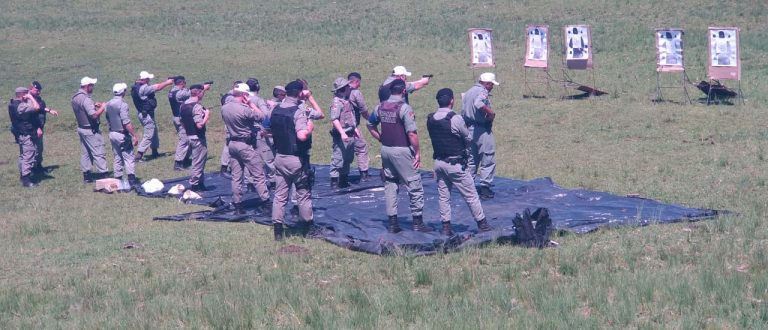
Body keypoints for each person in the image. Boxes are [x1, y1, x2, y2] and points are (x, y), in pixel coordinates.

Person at [427, 88, 493, 235]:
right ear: (451, 100)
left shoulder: (431, 118)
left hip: (438, 163)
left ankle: (446, 227)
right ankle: (482, 224)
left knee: (444, 196)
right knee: (471, 196)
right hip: (455, 164)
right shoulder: (455, 119)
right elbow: (468, 138)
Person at [367, 79, 429, 233]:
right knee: (414, 185)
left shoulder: (380, 107)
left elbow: (369, 124)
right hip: (402, 151)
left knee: (390, 185)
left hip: (386, 150)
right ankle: (417, 222)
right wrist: (417, 153)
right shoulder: (404, 108)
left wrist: (380, 137)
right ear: (403, 92)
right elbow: (412, 134)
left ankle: (393, 223)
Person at [270, 80, 320, 241]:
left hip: (279, 157)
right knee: (303, 194)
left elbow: (267, 130)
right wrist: (309, 128)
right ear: (299, 93)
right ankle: (308, 227)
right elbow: (301, 135)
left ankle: (278, 229)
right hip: (296, 159)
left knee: (280, 195)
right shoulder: (298, 111)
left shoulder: (276, 109)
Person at [221, 83, 271, 213]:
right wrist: (251, 104)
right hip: (245, 145)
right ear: (244, 95)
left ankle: (238, 203)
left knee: (236, 177)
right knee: (258, 174)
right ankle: (265, 201)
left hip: (232, 143)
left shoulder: (225, 108)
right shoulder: (244, 109)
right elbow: (262, 116)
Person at [461, 72, 499, 200]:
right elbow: (479, 103)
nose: (492, 87)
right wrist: (491, 113)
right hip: (481, 130)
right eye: (492, 84)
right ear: (487, 83)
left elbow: (463, 111)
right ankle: (485, 189)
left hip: (469, 129)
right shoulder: (482, 92)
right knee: (488, 157)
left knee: (471, 159)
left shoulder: (469, 91)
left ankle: (468, 188)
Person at [168, 76, 212, 170]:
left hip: (180, 117)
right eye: (184, 83)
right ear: (182, 83)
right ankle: (178, 163)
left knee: (187, 139)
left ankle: (185, 159)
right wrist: (203, 88)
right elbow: (193, 93)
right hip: (182, 119)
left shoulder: (172, 91)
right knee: (184, 140)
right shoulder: (179, 93)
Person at [71, 76, 108, 183]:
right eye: (92, 85)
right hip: (91, 130)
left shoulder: (75, 97)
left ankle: (86, 175)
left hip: (82, 128)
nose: (93, 87)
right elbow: (93, 115)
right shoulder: (86, 99)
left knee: (86, 153)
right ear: (87, 86)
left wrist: (93, 105)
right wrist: (103, 107)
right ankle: (104, 174)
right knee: (98, 152)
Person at [131, 71, 174, 162]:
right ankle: (139, 155)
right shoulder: (143, 88)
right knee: (149, 135)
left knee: (154, 133)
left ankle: (155, 152)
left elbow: (154, 86)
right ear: (146, 79)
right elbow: (157, 87)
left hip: (145, 113)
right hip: (146, 115)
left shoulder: (137, 86)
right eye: (149, 78)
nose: (150, 80)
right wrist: (168, 83)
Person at [105, 83, 140, 187]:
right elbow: (126, 123)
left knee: (117, 156)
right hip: (122, 134)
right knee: (129, 156)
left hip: (112, 133)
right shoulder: (122, 105)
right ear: (123, 92)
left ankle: (118, 179)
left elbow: (107, 118)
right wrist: (134, 135)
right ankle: (131, 180)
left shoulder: (108, 103)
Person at [245, 78, 276, 190]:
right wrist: (272, 107)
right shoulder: (258, 100)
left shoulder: (243, 98)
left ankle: (250, 182)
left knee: (249, 159)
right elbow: (266, 114)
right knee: (268, 157)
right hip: (259, 132)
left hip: (246, 132)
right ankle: (272, 181)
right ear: (257, 87)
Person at [179, 84, 211, 192]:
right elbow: (199, 125)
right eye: (202, 92)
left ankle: (200, 183)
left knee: (199, 161)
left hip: (189, 136)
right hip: (198, 138)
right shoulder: (196, 107)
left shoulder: (183, 105)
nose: (203, 94)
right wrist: (206, 115)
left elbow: (181, 121)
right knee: (198, 162)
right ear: (198, 93)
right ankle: (195, 185)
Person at [328, 77, 357, 188]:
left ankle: (344, 179)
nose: (350, 88)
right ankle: (334, 181)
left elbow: (350, 116)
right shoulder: (337, 102)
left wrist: (355, 129)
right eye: (347, 87)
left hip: (350, 133)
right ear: (343, 89)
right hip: (342, 135)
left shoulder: (346, 100)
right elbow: (334, 119)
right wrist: (342, 133)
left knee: (347, 158)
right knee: (338, 158)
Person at [9, 87, 41, 187]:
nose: (29, 94)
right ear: (23, 95)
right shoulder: (21, 106)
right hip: (26, 134)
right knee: (28, 155)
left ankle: (23, 176)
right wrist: (31, 97)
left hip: (21, 133)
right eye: (27, 93)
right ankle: (26, 180)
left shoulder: (13, 104)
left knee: (23, 156)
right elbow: (36, 107)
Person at [29, 81, 58, 174]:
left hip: (40, 127)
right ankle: (33, 168)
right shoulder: (29, 100)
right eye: (36, 90)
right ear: (30, 89)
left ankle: (38, 165)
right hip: (33, 127)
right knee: (34, 148)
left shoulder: (39, 99)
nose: (38, 92)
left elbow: (41, 108)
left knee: (39, 148)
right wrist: (37, 127)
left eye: (39, 90)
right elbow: (33, 114)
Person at [346, 72, 370, 181]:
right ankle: (364, 173)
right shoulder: (356, 93)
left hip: (339, 126)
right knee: (361, 147)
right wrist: (370, 120)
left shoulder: (339, 92)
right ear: (356, 81)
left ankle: (338, 176)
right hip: (353, 126)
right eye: (359, 83)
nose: (359, 85)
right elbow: (363, 109)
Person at [218, 80, 243, 178]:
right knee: (228, 144)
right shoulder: (229, 97)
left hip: (234, 122)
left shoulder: (230, 95)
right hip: (231, 123)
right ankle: (224, 167)